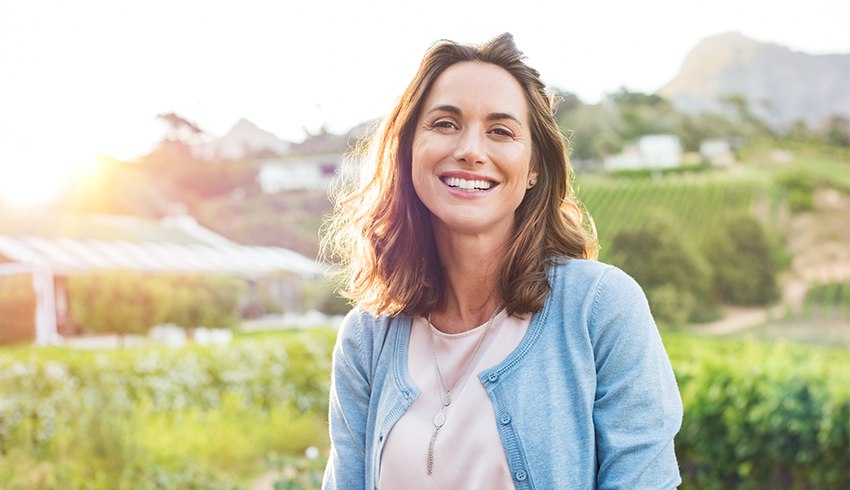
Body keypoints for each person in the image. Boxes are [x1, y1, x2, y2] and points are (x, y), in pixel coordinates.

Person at [321, 33, 682, 490]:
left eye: (501, 131)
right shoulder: (367, 337)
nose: (471, 150)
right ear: (409, 148)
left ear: (534, 167)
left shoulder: (601, 308)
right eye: (446, 124)